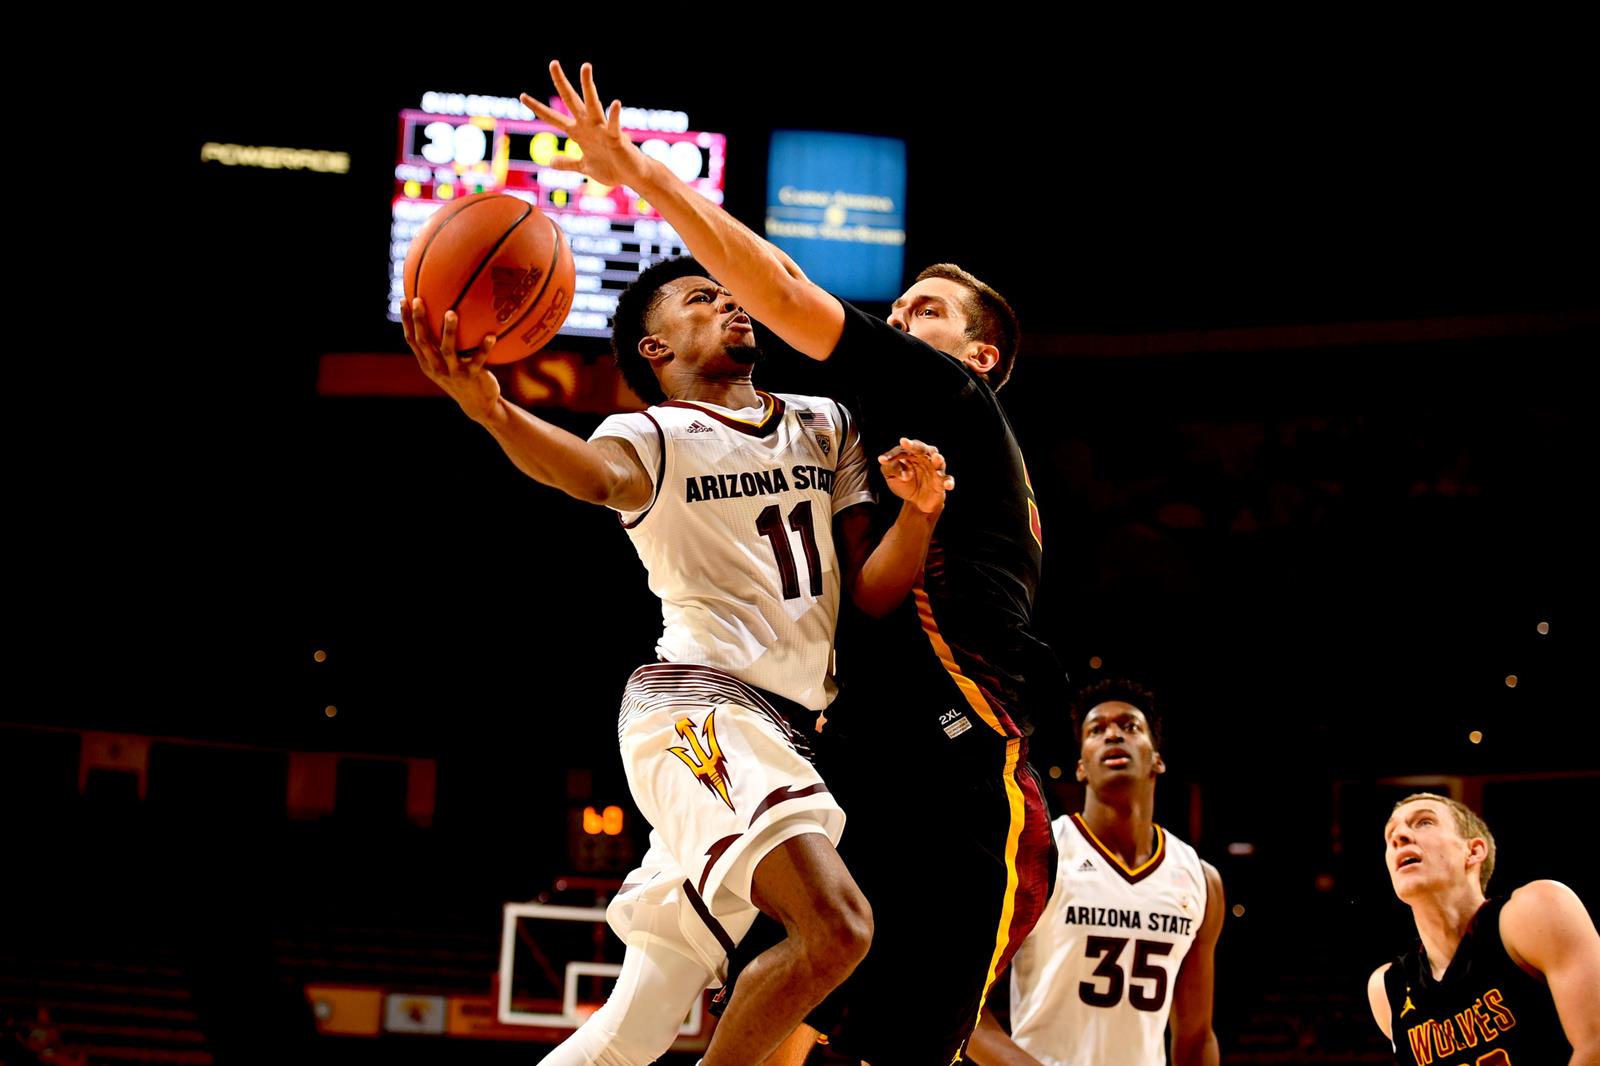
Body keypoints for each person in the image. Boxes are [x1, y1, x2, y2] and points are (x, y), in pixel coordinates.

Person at [523, 62, 1059, 1065]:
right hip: (831, 745)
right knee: (776, 989)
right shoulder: (858, 438)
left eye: (924, 312)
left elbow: (781, 290)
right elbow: (866, 593)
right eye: (898, 310)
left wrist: (640, 174)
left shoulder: (950, 399)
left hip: (958, 766)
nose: (898, 323)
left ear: (979, 356)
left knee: (884, 1030)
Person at [402, 255, 955, 1065]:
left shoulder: (827, 422)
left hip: (786, 730)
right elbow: (591, 477)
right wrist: (493, 411)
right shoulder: (647, 435)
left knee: (638, 1025)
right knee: (838, 928)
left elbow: (870, 592)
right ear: (655, 348)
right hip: (699, 711)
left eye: (733, 295)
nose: (732, 304)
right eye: (702, 299)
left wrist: (920, 515)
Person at [967, 679, 1224, 1066]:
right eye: (1096, 730)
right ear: (1081, 767)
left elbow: (1196, 1036)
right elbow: (961, 1004)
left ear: (1157, 759)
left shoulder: (1200, 879)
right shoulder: (1038, 855)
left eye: (1130, 726)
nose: (1113, 735)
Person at [1367, 793, 1600, 1065]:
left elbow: (1596, 1043)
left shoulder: (1535, 910)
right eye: (1390, 835)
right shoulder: (1387, 989)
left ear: (1474, 851)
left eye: (1424, 822)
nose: (1399, 837)